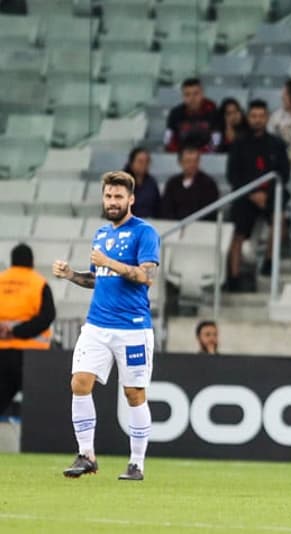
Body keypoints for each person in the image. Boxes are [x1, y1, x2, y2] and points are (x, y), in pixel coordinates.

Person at [52, 171, 161, 482]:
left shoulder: (144, 232)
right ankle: (87, 455)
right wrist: (72, 274)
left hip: (132, 327)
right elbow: (99, 279)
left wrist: (109, 261)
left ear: (131, 199)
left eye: (118, 197)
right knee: (79, 383)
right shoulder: (101, 234)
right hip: (97, 325)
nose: (112, 202)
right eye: (108, 196)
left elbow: (144, 276)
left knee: (134, 393)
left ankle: (136, 464)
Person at [225, 100, 291, 291]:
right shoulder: (238, 144)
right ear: (248, 118)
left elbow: (283, 173)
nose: (257, 120)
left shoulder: (277, 144)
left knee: (279, 219)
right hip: (245, 196)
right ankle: (233, 278)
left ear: (267, 117)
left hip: (272, 194)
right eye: (254, 116)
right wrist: (252, 193)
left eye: (261, 116)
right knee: (237, 234)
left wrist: (266, 194)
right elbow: (233, 175)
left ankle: (269, 263)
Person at [0, 244, 55, 416]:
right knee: (38, 407)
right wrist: (16, 332)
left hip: (2, 353)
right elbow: (47, 317)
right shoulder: (39, 283)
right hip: (32, 356)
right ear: (32, 261)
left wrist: (5, 332)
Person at [160, 147, 220, 222]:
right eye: (188, 161)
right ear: (180, 162)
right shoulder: (172, 183)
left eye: (195, 161)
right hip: (174, 226)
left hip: (201, 227)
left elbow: (211, 211)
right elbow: (166, 209)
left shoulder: (209, 184)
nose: (192, 164)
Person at [165, 78, 220, 153]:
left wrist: (202, 153)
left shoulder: (213, 112)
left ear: (202, 94)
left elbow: (216, 139)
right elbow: (168, 139)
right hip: (181, 157)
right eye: (187, 94)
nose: (192, 98)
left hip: (207, 156)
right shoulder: (175, 113)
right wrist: (180, 154)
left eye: (196, 93)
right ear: (183, 96)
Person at [123, 147, 160, 219]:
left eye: (147, 162)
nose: (144, 164)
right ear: (131, 163)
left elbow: (158, 207)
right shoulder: (121, 182)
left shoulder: (152, 183)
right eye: (140, 161)